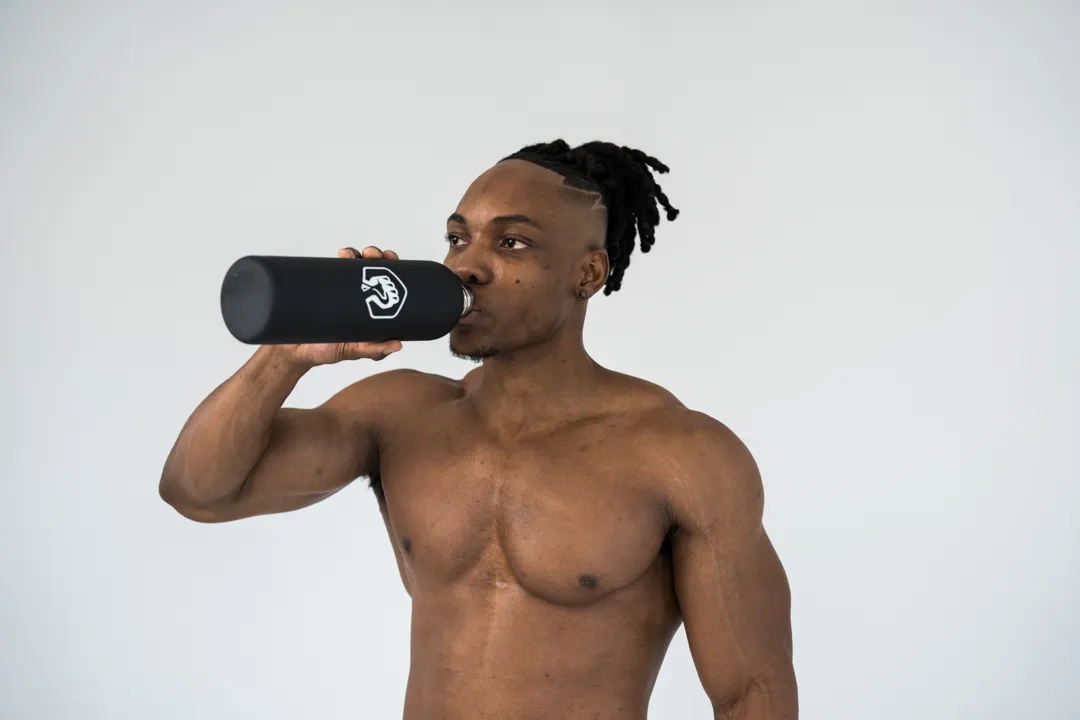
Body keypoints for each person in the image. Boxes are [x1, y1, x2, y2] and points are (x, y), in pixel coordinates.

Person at [159, 139, 797, 719]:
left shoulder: (679, 453)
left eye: (511, 242)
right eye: (457, 238)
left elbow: (751, 693)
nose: (467, 265)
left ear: (588, 274)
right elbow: (199, 492)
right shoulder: (400, 415)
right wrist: (286, 355)